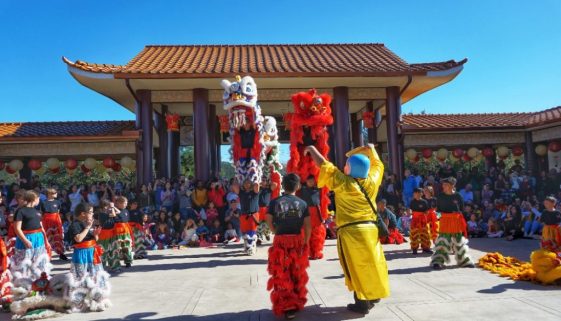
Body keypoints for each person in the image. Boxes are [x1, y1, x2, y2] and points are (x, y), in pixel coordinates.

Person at [306, 143, 389, 314]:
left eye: (346, 165)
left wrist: (313, 149)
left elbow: (324, 165)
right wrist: (371, 148)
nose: (344, 167)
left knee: (355, 267)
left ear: (350, 168)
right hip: (370, 229)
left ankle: (362, 302)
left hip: (351, 232)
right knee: (373, 263)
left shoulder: (343, 183)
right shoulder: (372, 181)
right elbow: (378, 164)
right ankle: (374, 294)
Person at [265, 173, 311, 320]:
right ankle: (294, 304)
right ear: (297, 186)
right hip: (297, 240)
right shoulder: (303, 204)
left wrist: (275, 231)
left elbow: (268, 219)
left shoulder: (274, 202)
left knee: (281, 272)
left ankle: (287, 305)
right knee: (296, 271)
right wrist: (306, 241)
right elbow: (308, 225)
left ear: (283, 186)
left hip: (280, 241)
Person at [68, 203, 111, 311]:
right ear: (83, 214)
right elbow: (78, 239)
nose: (92, 214)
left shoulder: (85, 223)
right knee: (81, 277)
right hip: (81, 254)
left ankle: (98, 298)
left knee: (96, 275)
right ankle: (79, 301)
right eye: (91, 212)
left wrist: (96, 234)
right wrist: (87, 227)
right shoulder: (75, 225)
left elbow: (93, 239)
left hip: (92, 253)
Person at [430, 177, 475, 270]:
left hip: (455, 220)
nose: (443, 186)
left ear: (451, 186)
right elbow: (438, 210)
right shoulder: (440, 196)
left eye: (445, 185)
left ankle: (464, 260)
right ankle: (438, 261)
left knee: (459, 242)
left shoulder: (458, 196)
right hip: (445, 220)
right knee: (443, 241)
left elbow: (462, 209)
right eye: (443, 184)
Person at [11, 191, 52, 281]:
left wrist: (46, 241)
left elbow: (41, 227)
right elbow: (17, 229)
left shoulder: (36, 211)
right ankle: (24, 285)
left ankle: (40, 283)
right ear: (34, 199)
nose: (39, 200)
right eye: (38, 198)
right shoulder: (20, 211)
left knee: (40, 262)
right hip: (26, 239)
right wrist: (25, 241)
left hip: (38, 238)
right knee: (24, 263)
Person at [299, 175, 325, 260]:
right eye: (309, 181)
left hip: (316, 213)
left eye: (312, 181)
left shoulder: (318, 188)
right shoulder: (302, 189)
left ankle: (315, 252)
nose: (311, 182)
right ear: (306, 181)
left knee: (316, 234)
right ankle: (305, 252)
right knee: (306, 233)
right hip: (306, 213)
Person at [40, 188, 68, 260]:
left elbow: (58, 212)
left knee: (58, 236)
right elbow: (42, 213)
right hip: (47, 220)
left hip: (56, 220)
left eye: (56, 193)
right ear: (49, 194)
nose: (56, 194)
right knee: (47, 236)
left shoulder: (57, 202)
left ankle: (61, 253)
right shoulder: (43, 202)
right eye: (54, 193)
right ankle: (48, 254)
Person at [239, 180, 260, 255]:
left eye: (248, 182)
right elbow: (234, 186)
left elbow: (257, 185)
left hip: (253, 215)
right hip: (243, 215)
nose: (247, 184)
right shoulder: (241, 192)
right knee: (244, 233)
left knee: (251, 234)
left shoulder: (255, 192)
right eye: (245, 182)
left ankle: (251, 249)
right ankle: (247, 247)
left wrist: (255, 178)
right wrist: (238, 177)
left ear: (251, 184)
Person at [409, 188, 432, 254]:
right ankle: (414, 248)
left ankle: (426, 248)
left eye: (419, 193)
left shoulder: (424, 202)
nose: (417, 195)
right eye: (416, 193)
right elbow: (410, 210)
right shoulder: (412, 202)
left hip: (422, 220)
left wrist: (424, 216)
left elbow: (427, 211)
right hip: (415, 220)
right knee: (414, 234)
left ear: (421, 194)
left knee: (425, 234)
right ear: (414, 194)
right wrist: (410, 213)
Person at [114, 196, 134, 268]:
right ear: (119, 203)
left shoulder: (126, 211)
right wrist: (117, 212)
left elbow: (125, 219)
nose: (126, 204)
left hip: (125, 230)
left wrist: (120, 214)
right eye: (124, 203)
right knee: (118, 247)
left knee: (127, 246)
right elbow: (118, 219)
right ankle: (116, 263)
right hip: (117, 231)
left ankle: (128, 261)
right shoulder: (114, 211)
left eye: (126, 203)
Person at [257, 180, 273, 245]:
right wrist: (258, 183)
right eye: (262, 180)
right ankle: (259, 238)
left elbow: (275, 184)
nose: (263, 181)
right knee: (258, 225)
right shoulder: (257, 189)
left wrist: (269, 182)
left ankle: (267, 233)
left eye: (264, 180)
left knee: (268, 224)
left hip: (267, 208)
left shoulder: (268, 189)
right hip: (258, 208)